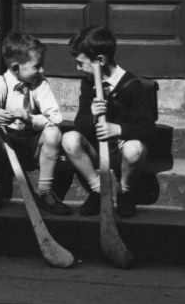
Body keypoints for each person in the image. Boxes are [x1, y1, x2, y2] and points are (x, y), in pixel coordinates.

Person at [0, 31, 71, 217]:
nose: (41, 70)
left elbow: (56, 118)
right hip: (7, 143)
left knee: (54, 132)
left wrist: (30, 118)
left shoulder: (40, 84)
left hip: (32, 141)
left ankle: (45, 191)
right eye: (37, 66)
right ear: (16, 68)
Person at [62, 26, 157, 218]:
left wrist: (119, 129)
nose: (77, 68)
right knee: (69, 139)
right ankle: (99, 190)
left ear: (100, 60)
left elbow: (148, 130)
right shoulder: (89, 83)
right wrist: (90, 114)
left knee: (134, 149)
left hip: (124, 151)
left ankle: (125, 192)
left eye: (81, 63)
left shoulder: (136, 86)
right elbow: (80, 126)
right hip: (98, 150)